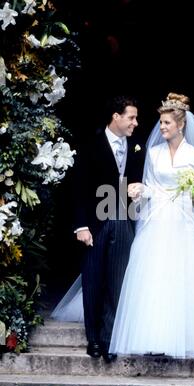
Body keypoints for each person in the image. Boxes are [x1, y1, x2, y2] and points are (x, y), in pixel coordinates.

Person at [108, 92, 194, 359]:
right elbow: (151, 185)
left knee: (185, 276)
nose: (162, 128)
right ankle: (153, 334)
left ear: (181, 124)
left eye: (167, 123)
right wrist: (139, 190)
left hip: (184, 219)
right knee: (154, 276)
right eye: (160, 123)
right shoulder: (155, 152)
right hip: (157, 218)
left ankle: (187, 336)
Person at [51, 95, 145, 362]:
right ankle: (93, 339)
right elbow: (78, 188)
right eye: (131, 117)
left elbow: (138, 181)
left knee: (118, 282)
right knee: (93, 280)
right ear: (116, 116)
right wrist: (81, 226)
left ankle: (109, 339)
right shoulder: (91, 144)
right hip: (95, 223)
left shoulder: (137, 146)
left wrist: (139, 191)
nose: (135, 123)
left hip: (124, 220)